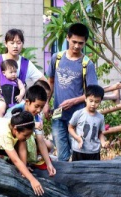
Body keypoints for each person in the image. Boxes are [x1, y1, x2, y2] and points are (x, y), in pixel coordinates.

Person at [46, 23, 98, 162]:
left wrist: (73, 101)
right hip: (58, 115)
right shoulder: (56, 58)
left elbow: (92, 93)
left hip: (78, 118)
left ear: (85, 42)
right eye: (74, 42)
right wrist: (46, 103)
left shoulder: (87, 64)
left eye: (80, 43)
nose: (76, 46)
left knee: (78, 155)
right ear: (68, 38)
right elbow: (50, 82)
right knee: (62, 156)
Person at [5, 82, 56, 176]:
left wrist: (49, 164)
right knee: (23, 138)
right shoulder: (16, 111)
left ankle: (28, 160)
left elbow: (40, 140)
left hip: (22, 139)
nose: (39, 110)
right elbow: (14, 133)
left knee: (48, 145)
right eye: (37, 106)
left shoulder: (36, 115)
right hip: (8, 142)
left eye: (41, 107)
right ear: (27, 102)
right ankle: (22, 166)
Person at [68, 84, 108, 161]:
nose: (93, 104)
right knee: (78, 171)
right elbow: (70, 128)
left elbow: (100, 132)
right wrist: (77, 138)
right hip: (79, 150)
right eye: (91, 101)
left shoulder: (100, 117)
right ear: (85, 99)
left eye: (96, 102)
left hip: (94, 152)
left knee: (94, 172)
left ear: (100, 101)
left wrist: (103, 142)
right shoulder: (78, 113)